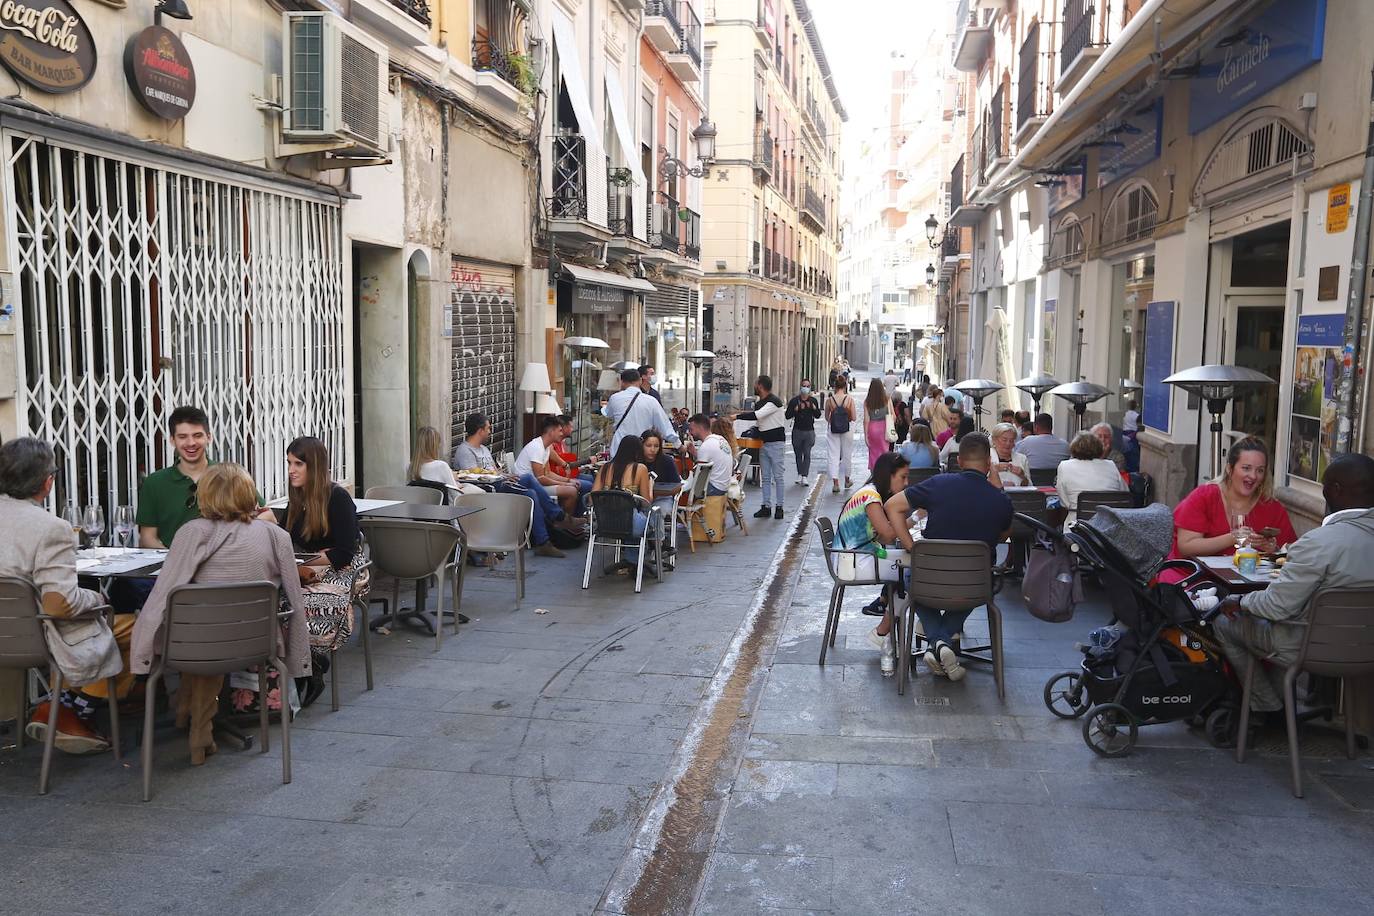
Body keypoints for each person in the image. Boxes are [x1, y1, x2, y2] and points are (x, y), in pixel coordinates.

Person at [132, 463, 307, 764]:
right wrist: (299, 658)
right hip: (256, 643)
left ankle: (193, 723)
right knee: (203, 629)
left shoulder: (192, 532)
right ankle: (193, 720)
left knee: (190, 628)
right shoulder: (276, 535)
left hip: (199, 643)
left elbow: (164, 593)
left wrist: (142, 652)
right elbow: (295, 599)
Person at [1213, 454, 1374, 715]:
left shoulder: (1319, 542)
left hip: (1309, 648)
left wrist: (1241, 601)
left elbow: (1276, 607)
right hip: (1366, 651)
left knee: (1224, 622)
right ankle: (1282, 708)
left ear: (1334, 491)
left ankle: (1266, 707)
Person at [1, 438, 125, 755]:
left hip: (9, 634)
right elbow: (59, 604)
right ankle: (71, 712)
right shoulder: (51, 527)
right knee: (140, 627)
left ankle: (59, 706)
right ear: (48, 481)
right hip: (38, 638)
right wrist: (96, 600)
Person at [885, 434, 1013, 681]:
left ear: (960, 461)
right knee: (978, 585)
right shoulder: (1000, 500)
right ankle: (942, 643)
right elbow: (1004, 534)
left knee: (914, 581)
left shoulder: (939, 484)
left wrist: (912, 547)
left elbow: (892, 505)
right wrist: (999, 487)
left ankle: (937, 643)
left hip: (929, 581)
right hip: (975, 585)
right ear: (988, 463)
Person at [278, 437, 366, 706]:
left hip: (343, 568)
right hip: (306, 566)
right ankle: (306, 663)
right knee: (273, 600)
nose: (291, 470)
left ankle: (311, 662)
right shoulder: (297, 498)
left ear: (314, 467)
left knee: (303, 603)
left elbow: (344, 553)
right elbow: (284, 538)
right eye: (289, 463)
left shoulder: (337, 498)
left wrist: (303, 565)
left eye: (298, 464)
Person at [1162, 436, 1296, 582]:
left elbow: (1291, 553)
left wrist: (1273, 549)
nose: (1253, 476)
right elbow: (1186, 547)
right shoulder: (1205, 496)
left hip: (1248, 585)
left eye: (1260, 470)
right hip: (1191, 576)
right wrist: (1233, 538)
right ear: (1229, 468)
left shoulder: (1272, 508)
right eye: (1246, 468)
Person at [137, 405, 268, 548]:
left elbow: (268, 517)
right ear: (172, 440)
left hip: (224, 564)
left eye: (197, 435)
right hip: (173, 565)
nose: (191, 443)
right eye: (183, 437)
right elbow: (147, 538)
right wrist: (176, 560)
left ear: (209, 437)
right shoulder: (155, 482)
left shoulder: (229, 476)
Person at [451, 413, 571, 557]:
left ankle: (545, 540)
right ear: (480, 430)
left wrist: (507, 476)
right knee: (529, 485)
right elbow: (472, 477)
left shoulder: (484, 449)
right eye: (488, 428)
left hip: (500, 484)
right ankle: (556, 519)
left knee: (530, 488)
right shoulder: (465, 451)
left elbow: (495, 472)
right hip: (488, 492)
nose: (490, 431)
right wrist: (500, 476)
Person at [837, 452, 910, 677]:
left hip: (855, 558)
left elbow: (886, 534)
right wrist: (911, 517)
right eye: (903, 477)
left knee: (903, 572)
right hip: (853, 562)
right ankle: (883, 632)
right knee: (910, 574)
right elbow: (888, 536)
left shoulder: (868, 493)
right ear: (889, 476)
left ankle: (885, 623)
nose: (906, 483)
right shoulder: (871, 497)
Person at [593, 435, 658, 568]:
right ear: (637, 452)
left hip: (604, 523)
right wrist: (650, 485)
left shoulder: (605, 468)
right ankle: (656, 548)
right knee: (654, 515)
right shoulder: (640, 469)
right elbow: (647, 502)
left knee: (638, 518)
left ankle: (632, 561)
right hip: (630, 525)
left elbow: (591, 497)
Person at [737, 375, 787, 519]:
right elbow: (761, 424)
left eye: (755, 384)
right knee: (765, 477)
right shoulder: (760, 403)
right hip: (764, 443)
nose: (754, 386)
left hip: (776, 443)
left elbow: (758, 416)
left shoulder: (774, 402)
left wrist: (737, 416)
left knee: (778, 477)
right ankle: (766, 506)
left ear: (760, 386)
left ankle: (779, 507)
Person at [602, 368, 680, 455]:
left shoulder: (615, 398)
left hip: (619, 449)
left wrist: (604, 406)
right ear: (640, 381)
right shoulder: (651, 401)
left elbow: (607, 413)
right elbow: (664, 426)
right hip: (642, 450)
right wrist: (678, 444)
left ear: (622, 382)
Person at [515, 415, 582, 515]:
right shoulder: (537, 447)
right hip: (527, 487)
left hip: (537, 484)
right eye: (559, 430)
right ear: (551, 431)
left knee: (573, 487)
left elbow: (548, 473)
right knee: (571, 491)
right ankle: (563, 522)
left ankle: (563, 520)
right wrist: (566, 484)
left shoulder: (545, 447)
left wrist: (568, 480)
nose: (562, 433)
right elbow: (541, 478)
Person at [1055, 431, 1127, 524]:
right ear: (1099, 448)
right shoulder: (1111, 465)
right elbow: (1124, 494)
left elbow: (1064, 502)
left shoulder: (1064, 466)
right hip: (1109, 526)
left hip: (1077, 528)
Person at [786, 379, 823, 487]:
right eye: (803, 386)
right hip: (797, 430)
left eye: (807, 386)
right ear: (800, 387)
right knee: (798, 454)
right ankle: (799, 473)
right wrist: (796, 409)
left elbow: (818, 415)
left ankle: (804, 476)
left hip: (809, 431)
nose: (805, 388)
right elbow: (787, 415)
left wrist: (814, 408)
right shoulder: (794, 401)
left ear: (810, 387)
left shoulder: (813, 401)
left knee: (807, 453)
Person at [686, 413, 734, 496]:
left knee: (681, 489)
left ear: (700, 428)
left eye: (691, 429)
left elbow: (700, 476)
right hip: (724, 486)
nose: (690, 433)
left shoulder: (706, 446)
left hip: (714, 488)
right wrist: (695, 453)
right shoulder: (720, 439)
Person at [824, 376, 856, 493]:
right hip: (847, 429)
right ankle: (847, 480)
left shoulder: (830, 400)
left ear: (835, 386)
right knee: (847, 454)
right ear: (845, 386)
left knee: (833, 454)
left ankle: (835, 483)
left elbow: (827, 417)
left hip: (833, 429)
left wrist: (834, 421)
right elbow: (854, 417)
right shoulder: (849, 399)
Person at [986, 422, 1030, 489]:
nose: (1008, 443)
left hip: (1017, 497)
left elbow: (1029, 487)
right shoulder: (985, 456)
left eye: (1011, 440)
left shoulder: (1022, 458)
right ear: (994, 440)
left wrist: (1022, 476)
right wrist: (993, 470)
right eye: (1004, 440)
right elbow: (977, 484)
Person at [863, 378, 892, 473]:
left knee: (873, 453)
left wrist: (866, 436)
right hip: (884, 428)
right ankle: (884, 473)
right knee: (884, 452)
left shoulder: (867, 401)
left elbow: (866, 420)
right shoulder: (887, 399)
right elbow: (893, 416)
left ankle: (874, 473)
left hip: (872, 428)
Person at [1122, 399, 1141, 472]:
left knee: (1126, 453)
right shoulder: (1137, 416)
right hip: (1133, 435)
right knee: (1134, 454)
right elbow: (1139, 426)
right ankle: (1133, 470)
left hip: (1125, 433)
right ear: (1135, 406)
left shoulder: (1124, 414)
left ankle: (1127, 468)